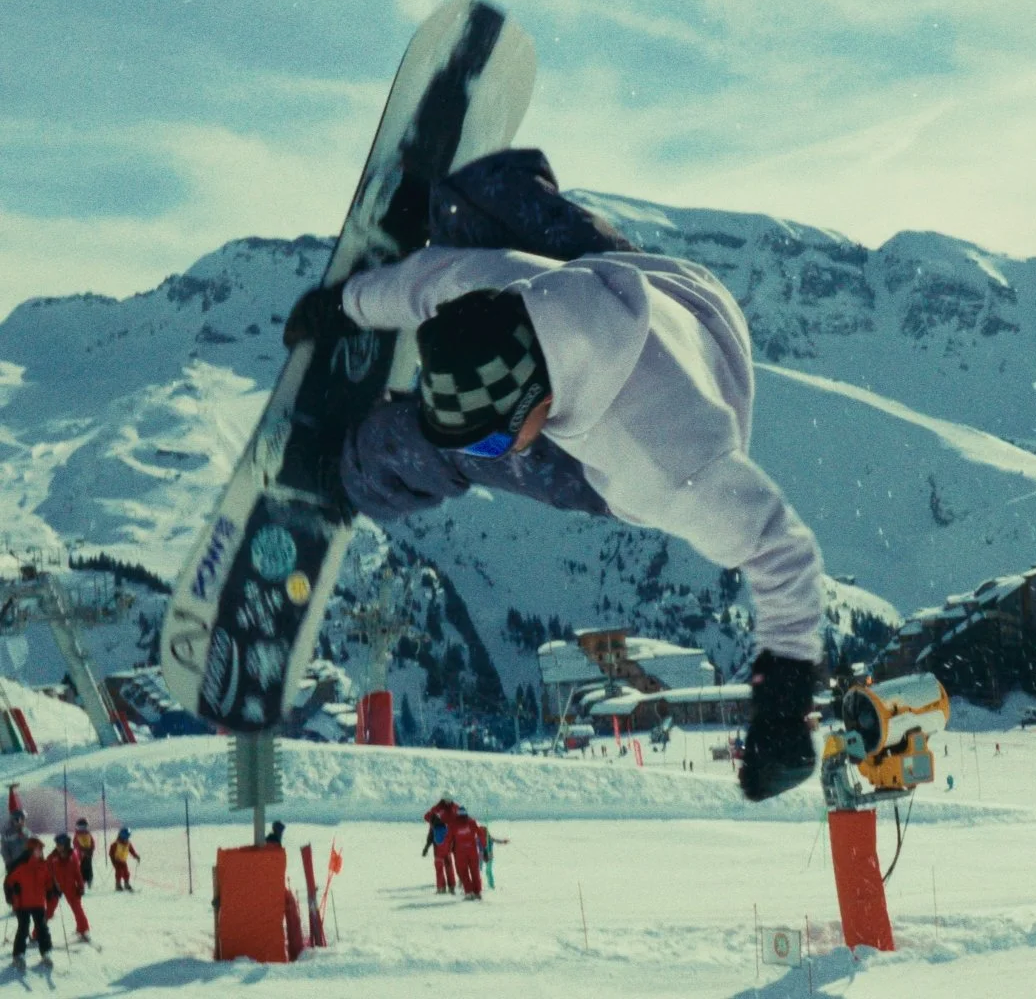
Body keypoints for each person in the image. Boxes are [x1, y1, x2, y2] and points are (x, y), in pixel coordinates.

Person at [283, 149, 825, 803]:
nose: (488, 443)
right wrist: (342, 306)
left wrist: (785, 708)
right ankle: (476, 192)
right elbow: (425, 276)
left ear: (530, 406)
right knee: (485, 203)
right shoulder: (506, 291)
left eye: (490, 431)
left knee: (444, 452)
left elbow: (784, 551)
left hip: (662, 408)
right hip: (655, 288)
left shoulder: (673, 466)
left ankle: (351, 469)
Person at [5, 838, 54, 967]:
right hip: (22, 904)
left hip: (38, 902)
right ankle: (18, 955)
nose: (41, 851)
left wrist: (50, 890)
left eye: (41, 849)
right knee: (23, 928)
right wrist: (12, 891)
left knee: (42, 928)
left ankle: (46, 952)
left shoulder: (43, 865)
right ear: (31, 850)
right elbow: (9, 881)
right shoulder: (20, 866)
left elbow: (49, 880)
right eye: (38, 849)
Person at [45, 834, 88, 941]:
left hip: (70, 886)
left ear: (66, 844)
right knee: (48, 911)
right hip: (56, 887)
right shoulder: (52, 857)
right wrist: (50, 888)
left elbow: (77, 873)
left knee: (77, 908)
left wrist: (81, 886)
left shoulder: (73, 856)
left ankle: (82, 931)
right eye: (57, 844)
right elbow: (47, 874)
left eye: (60, 844)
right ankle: (37, 934)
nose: (58, 846)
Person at [448, 807, 485, 900]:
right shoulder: (472, 822)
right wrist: (484, 847)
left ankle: (469, 892)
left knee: (463, 873)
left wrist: (449, 849)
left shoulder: (453, 825)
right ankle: (478, 892)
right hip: (472, 851)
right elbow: (480, 834)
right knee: (475, 872)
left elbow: (448, 839)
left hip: (460, 853)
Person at [421, 803, 456, 895]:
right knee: (449, 868)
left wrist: (426, 848)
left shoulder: (433, 826)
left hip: (438, 851)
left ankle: (441, 888)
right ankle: (452, 887)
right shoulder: (446, 824)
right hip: (447, 850)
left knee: (439, 869)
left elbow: (430, 838)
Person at [72, 818, 96, 890]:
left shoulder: (88, 834)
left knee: (89, 867)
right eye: (81, 827)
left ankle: (89, 880)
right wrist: (81, 851)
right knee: (82, 869)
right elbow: (75, 844)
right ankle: (82, 882)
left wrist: (92, 849)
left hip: (89, 854)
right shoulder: (77, 835)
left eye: (84, 827)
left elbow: (92, 842)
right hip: (81, 856)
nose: (82, 829)